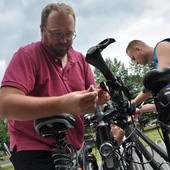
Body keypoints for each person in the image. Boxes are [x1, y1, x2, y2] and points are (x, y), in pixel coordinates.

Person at [0, 3, 108, 170]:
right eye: (57, 34)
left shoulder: (79, 60)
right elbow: (5, 105)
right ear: (42, 30)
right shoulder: (27, 56)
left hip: (73, 147)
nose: (64, 40)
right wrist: (62, 105)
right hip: (34, 148)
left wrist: (96, 100)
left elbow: (87, 102)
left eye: (69, 34)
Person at [126, 39, 170, 116]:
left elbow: (158, 82)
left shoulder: (161, 47)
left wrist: (134, 102)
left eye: (133, 58)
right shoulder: (158, 64)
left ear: (138, 49)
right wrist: (144, 109)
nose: (136, 62)